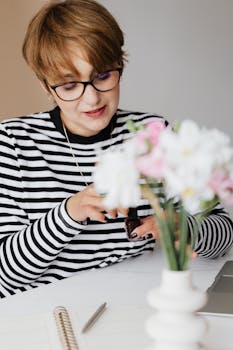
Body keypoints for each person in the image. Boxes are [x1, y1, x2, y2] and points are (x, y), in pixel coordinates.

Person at [0, 0, 232, 298]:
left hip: (130, 303)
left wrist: (184, 227)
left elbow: (223, 234)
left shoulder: (152, 135)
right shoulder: (13, 143)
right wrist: (70, 213)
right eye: (69, 86)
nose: (92, 99)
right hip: (44, 314)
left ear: (119, 66)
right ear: (46, 87)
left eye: (102, 77)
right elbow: (5, 275)